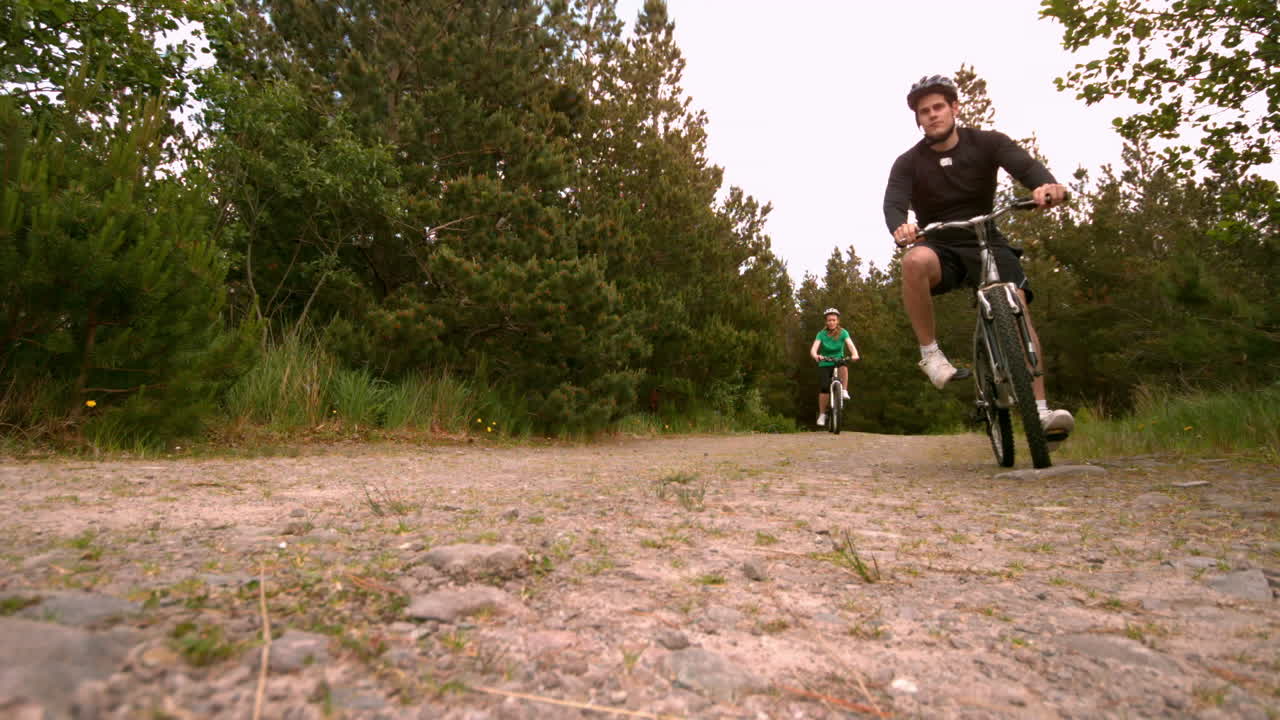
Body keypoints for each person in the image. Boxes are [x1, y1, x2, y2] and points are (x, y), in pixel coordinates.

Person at [882, 74, 1074, 442]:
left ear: (954, 108)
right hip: (940, 245)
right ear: (918, 119)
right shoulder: (908, 162)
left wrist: (1046, 186)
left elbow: (1026, 167)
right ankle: (931, 355)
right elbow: (894, 203)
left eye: (939, 107)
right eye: (924, 111)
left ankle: (1040, 411)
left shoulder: (988, 143)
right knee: (913, 262)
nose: (932, 115)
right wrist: (900, 228)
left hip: (987, 238)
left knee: (1016, 305)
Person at [808, 308, 860, 427]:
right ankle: (822, 414)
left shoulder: (843, 332)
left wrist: (855, 354)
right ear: (826, 322)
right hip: (825, 362)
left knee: (843, 365)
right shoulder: (821, 334)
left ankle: (844, 390)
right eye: (829, 320)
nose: (831, 322)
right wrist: (816, 355)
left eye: (834, 320)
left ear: (837, 321)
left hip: (838, 360)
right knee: (824, 387)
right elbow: (813, 349)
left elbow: (850, 345)